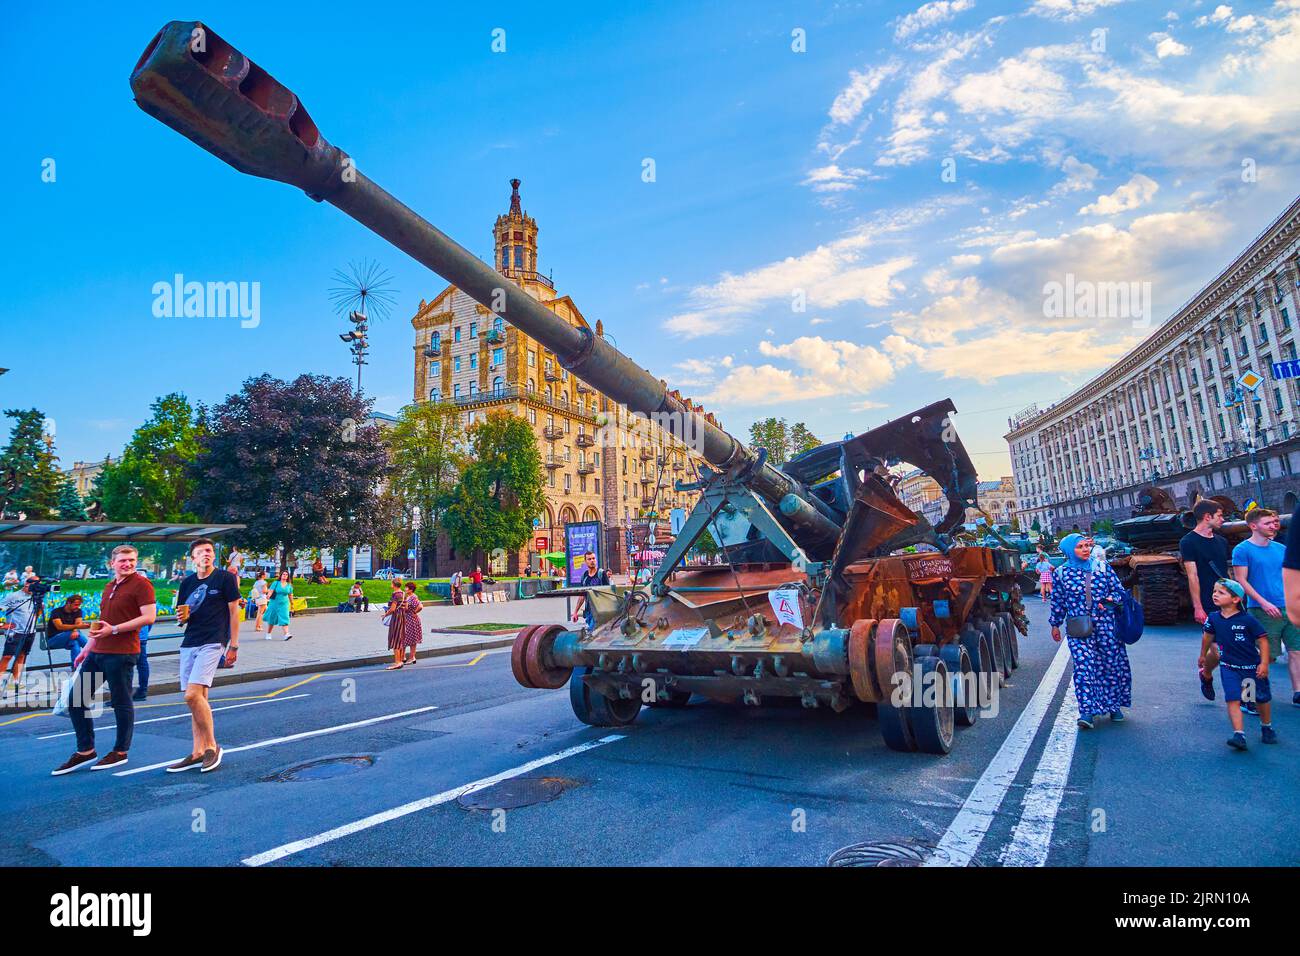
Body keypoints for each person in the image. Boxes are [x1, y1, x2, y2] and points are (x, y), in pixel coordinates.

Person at [51, 545, 156, 774]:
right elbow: (103, 621)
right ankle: (86, 751)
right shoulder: (110, 586)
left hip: (123, 653)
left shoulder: (142, 585)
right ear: (112, 563)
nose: (128, 564)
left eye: (131, 560)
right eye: (123, 561)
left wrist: (115, 630)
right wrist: (87, 647)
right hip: (99, 652)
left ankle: (120, 752)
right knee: (76, 700)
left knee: (121, 702)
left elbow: (149, 617)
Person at [165, 538, 241, 773]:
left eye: (209, 551)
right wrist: (182, 618)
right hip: (190, 642)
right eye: (200, 552)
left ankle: (212, 746)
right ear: (193, 558)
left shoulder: (225, 578)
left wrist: (233, 646)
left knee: (191, 695)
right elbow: (183, 616)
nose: (206, 554)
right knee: (198, 700)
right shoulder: (187, 583)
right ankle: (197, 751)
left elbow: (234, 611)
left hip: (213, 641)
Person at [1048, 533, 1132, 730]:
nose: (1085, 549)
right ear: (1069, 550)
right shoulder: (1061, 573)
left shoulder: (1102, 567)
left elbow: (1118, 591)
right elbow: (1058, 601)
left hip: (1106, 625)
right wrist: (1055, 624)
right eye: (1079, 547)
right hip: (1079, 625)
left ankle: (1113, 706)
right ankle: (1087, 711)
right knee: (1084, 667)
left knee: (1111, 664)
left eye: (1087, 546)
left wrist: (1110, 600)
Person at [1198, 579, 1277, 750]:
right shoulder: (1213, 618)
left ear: (1235, 599)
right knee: (1232, 698)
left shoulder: (1248, 620)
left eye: (1221, 592)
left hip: (1250, 668)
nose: (1215, 595)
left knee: (1259, 699)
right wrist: (1202, 655)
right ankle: (1239, 734)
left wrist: (1264, 663)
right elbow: (1207, 637)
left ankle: (1266, 726)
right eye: (1214, 591)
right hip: (1229, 667)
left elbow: (1262, 641)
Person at [1230, 507, 1297, 679]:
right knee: (1266, 657)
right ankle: (1252, 693)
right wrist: (1264, 603)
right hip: (1262, 610)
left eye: (1273, 523)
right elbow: (1241, 580)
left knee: (1296, 651)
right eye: (1267, 523)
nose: (1273, 526)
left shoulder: (1281, 548)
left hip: (1289, 607)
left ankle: (1298, 693)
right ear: (1253, 526)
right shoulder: (1242, 550)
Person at [1179, 500, 1232, 626]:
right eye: (1219, 515)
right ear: (1207, 517)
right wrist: (1198, 607)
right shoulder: (1188, 542)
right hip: (1207, 598)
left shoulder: (1222, 541)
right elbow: (1193, 576)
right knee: (1213, 641)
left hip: (1227, 597)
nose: (1223, 519)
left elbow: (1227, 571)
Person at [0, 577, 41, 694]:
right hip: (15, 632)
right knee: (7, 656)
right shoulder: (13, 596)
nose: (32, 588)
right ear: (25, 584)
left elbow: (37, 613)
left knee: (22, 656)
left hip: (30, 631)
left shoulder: (36, 597)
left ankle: (15, 681)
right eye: (30, 585)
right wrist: (2, 624)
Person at [46, 594, 90, 669]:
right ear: (68, 603)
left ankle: (76, 668)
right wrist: (76, 628)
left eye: (79, 605)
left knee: (75, 643)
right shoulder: (56, 612)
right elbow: (59, 626)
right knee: (76, 634)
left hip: (69, 639)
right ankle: (92, 651)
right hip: (53, 640)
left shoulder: (78, 611)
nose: (78, 607)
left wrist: (75, 630)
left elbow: (78, 623)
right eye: (76, 605)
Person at [570, 551, 611, 631]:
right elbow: (582, 596)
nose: (592, 561)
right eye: (589, 559)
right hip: (589, 611)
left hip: (600, 610)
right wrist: (575, 612)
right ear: (585, 561)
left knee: (593, 632)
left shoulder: (601, 573)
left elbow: (609, 592)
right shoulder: (584, 576)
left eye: (593, 558)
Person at [386, 581, 423, 668]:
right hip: (406, 619)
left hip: (412, 620)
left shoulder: (413, 597)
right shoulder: (406, 596)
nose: (405, 588)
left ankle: (412, 657)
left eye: (407, 587)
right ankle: (403, 657)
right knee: (405, 638)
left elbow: (420, 606)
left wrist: (414, 612)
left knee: (412, 639)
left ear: (411, 589)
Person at [264, 570, 294, 641]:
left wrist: (292, 603)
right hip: (274, 603)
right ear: (281, 575)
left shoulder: (289, 585)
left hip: (284, 604)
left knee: (285, 617)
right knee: (272, 618)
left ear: (288, 577)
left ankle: (286, 634)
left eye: (286, 575)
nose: (285, 575)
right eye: (283, 574)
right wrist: (268, 596)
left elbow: (290, 595)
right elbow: (271, 591)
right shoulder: (276, 583)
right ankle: (268, 633)